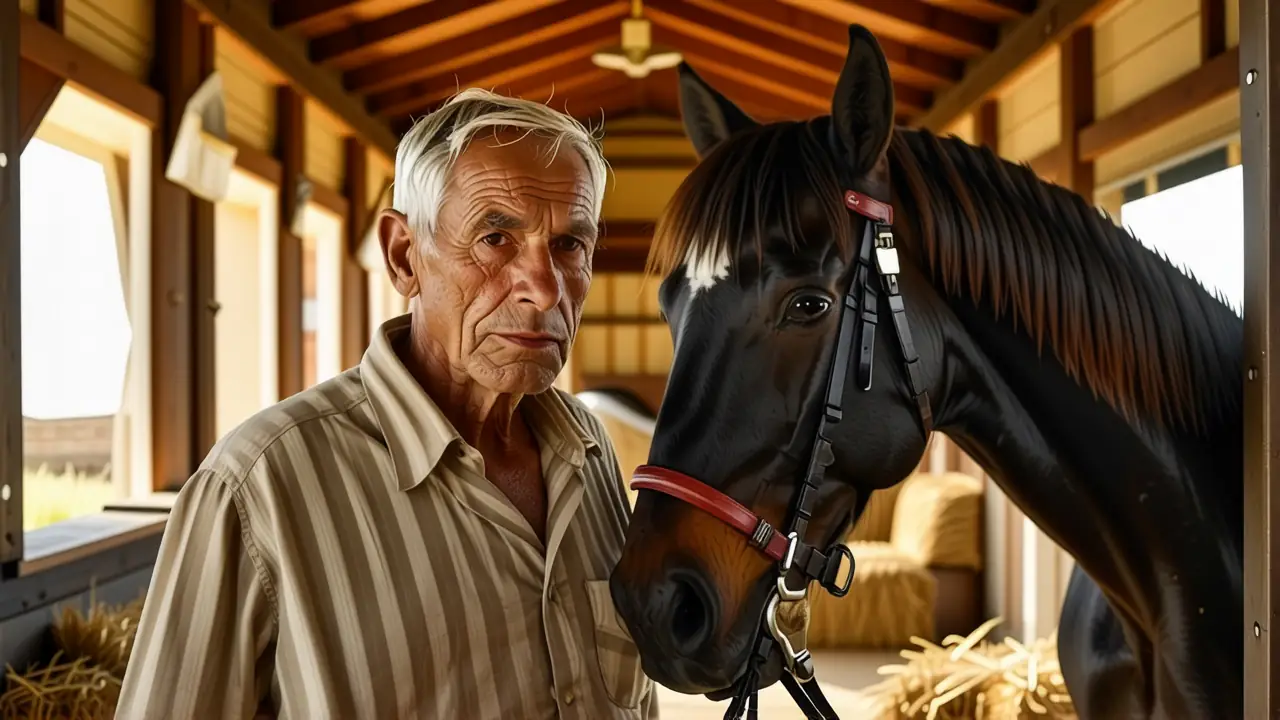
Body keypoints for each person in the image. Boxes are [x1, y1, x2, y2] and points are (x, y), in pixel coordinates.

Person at [116, 88, 658, 719]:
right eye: (495, 238)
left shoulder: (586, 451)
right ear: (405, 257)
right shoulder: (258, 486)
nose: (543, 288)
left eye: (570, 245)